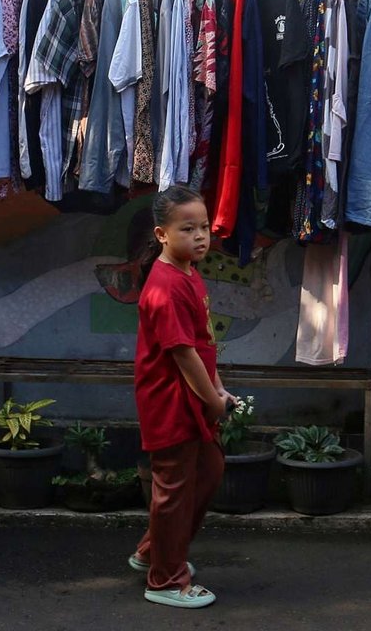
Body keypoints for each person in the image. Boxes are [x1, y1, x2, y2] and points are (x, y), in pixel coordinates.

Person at [129, 186, 236, 608]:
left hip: (193, 395)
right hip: (170, 401)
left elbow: (203, 342)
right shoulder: (165, 286)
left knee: (208, 471)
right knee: (173, 490)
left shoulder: (189, 272)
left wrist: (219, 387)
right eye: (187, 228)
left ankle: (153, 552)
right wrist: (213, 401)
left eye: (204, 227)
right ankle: (166, 581)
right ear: (161, 234)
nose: (200, 236)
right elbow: (183, 353)